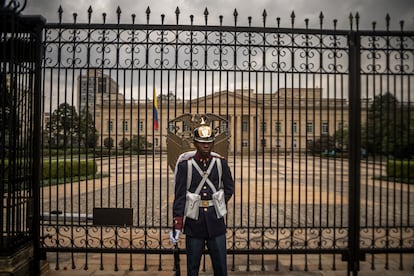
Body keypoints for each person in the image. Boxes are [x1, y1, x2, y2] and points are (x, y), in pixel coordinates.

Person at [169, 120, 234, 276]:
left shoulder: (221, 163)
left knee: (221, 268)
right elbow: (179, 197)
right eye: (202, 142)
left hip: (216, 222)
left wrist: (218, 201)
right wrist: (177, 225)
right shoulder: (185, 166)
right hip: (194, 223)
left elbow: (229, 188)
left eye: (209, 142)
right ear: (195, 143)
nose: (206, 145)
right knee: (192, 268)